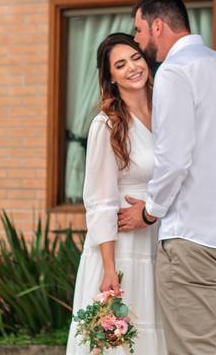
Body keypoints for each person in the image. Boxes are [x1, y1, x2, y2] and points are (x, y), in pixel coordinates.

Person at [118, 0, 216, 355]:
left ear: (158, 26)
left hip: (193, 239)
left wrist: (150, 210)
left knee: (195, 349)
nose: (136, 39)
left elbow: (174, 158)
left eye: (139, 30)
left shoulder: (175, 72)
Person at [67, 33, 166, 354]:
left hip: (160, 235)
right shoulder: (106, 125)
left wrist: (152, 210)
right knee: (119, 337)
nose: (132, 68)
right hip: (121, 245)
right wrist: (109, 267)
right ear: (111, 76)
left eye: (136, 58)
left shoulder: (168, 111)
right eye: (120, 65)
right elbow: (99, 201)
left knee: (158, 327)